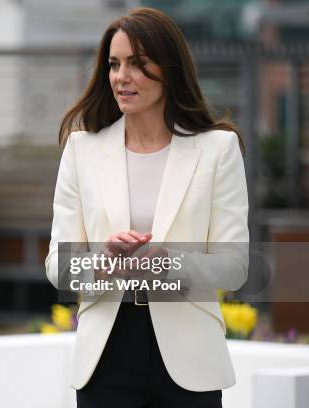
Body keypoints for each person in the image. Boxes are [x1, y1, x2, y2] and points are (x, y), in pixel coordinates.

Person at [45, 7, 249, 408]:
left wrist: (165, 263)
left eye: (138, 64)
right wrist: (103, 261)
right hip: (105, 357)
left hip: (190, 360)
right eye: (114, 64)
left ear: (169, 69)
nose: (122, 77)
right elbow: (58, 265)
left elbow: (235, 265)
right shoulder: (81, 149)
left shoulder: (217, 149)